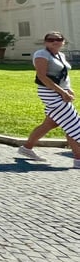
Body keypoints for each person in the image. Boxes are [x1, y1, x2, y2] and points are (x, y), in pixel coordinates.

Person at [17, 31, 80, 167]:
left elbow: (64, 75)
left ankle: (27, 148)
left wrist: (69, 89)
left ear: (63, 41)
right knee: (72, 123)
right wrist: (63, 92)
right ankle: (78, 158)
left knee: (51, 123)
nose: (55, 42)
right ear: (45, 42)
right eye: (51, 40)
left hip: (60, 92)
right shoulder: (41, 54)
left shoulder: (61, 55)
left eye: (59, 39)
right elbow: (42, 77)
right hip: (49, 92)